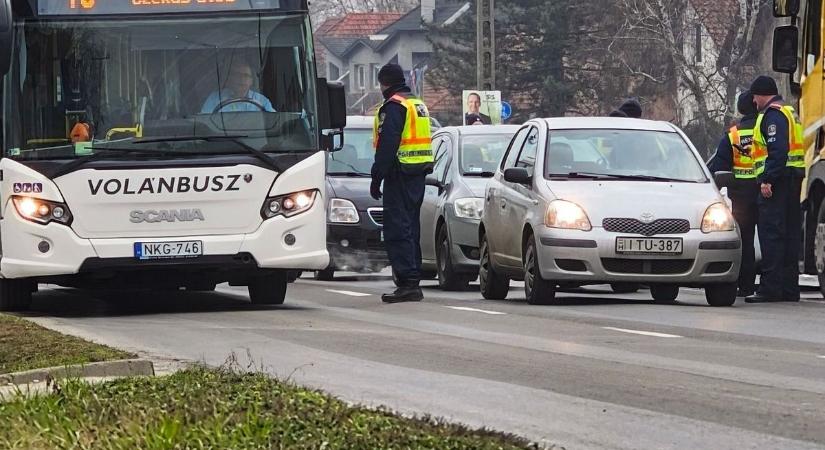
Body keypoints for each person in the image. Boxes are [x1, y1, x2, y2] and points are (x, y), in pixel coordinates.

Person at [370, 63, 434, 303]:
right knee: (411, 227)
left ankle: (407, 282)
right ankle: (412, 278)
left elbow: (388, 145)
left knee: (397, 229)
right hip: (418, 173)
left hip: (399, 173)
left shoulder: (395, 106)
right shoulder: (417, 104)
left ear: (384, 83)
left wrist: (377, 177)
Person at [745, 75, 804, 303]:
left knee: (772, 235)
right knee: (789, 236)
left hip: (778, 183)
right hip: (791, 180)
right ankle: (789, 289)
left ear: (761, 95)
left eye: (754, 97)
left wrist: (768, 179)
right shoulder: (788, 111)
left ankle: (770, 288)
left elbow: (778, 150)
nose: (753, 102)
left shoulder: (772, 115)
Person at [707, 91, 759, 297]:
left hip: (741, 195)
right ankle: (772, 285)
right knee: (771, 239)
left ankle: (746, 285)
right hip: (767, 192)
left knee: (745, 241)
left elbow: (719, 169)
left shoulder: (733, 135)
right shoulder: (765, 128)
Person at [200, 60, 275, 113]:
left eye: (246, 75)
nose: (241, 79)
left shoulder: (262, 101)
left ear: (252, 81)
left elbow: (272, 123)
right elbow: (204, 126)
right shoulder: (214, 99)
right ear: (230, 79)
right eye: (237, 75)